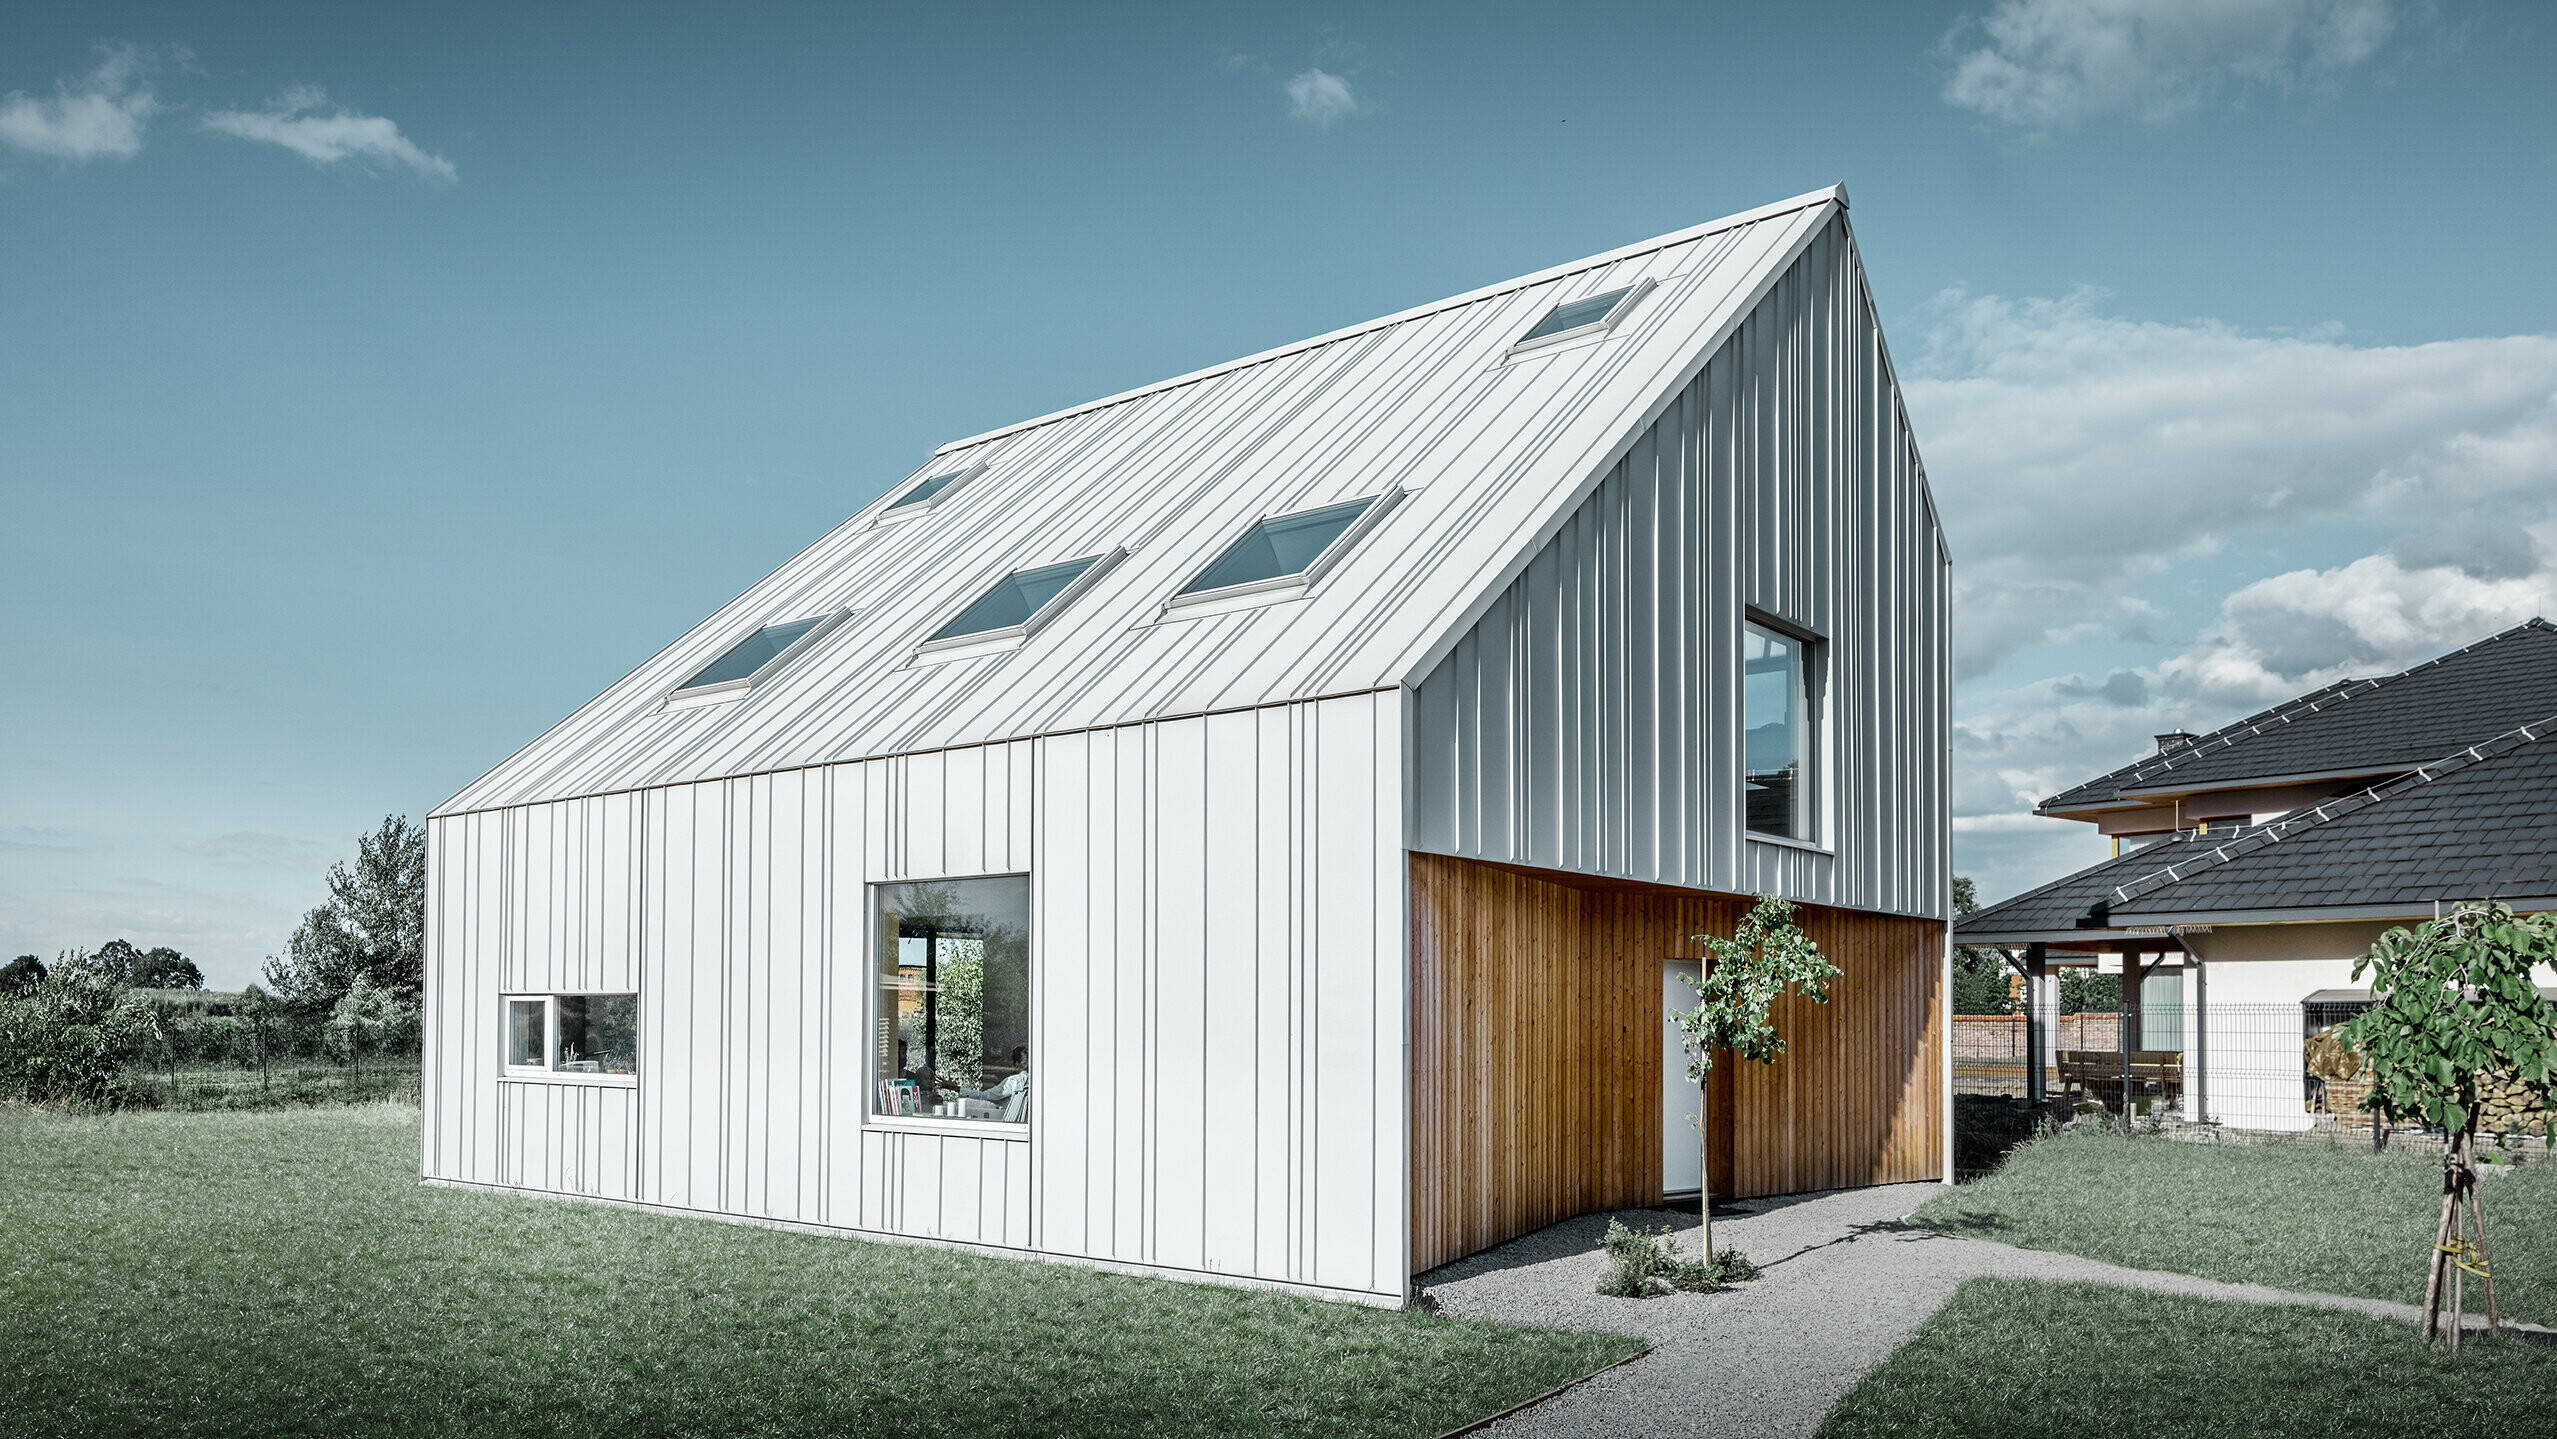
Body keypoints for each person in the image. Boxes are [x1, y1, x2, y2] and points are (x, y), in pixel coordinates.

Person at [957, 1045, 1031, 1123]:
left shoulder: (1014, 1082)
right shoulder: (1034, 1080)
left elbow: (984, 1096)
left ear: (1016, 1064)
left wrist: (957, 1089)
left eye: (1010, 1061)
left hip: (1011, 1126)